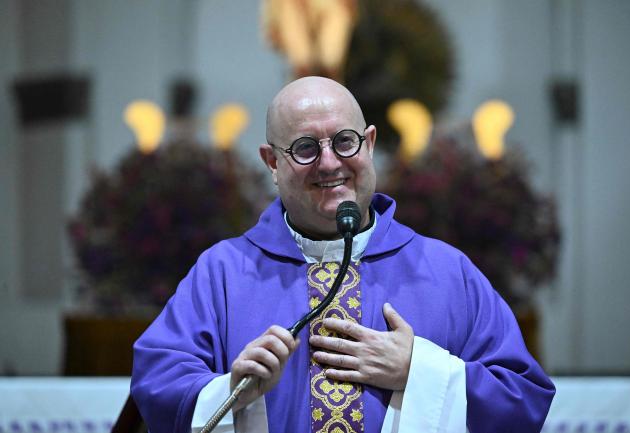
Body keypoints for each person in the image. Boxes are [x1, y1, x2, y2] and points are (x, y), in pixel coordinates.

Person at [131, 76, 555, 433]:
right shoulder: (223, 273)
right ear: (271, 163)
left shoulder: (445, 270)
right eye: (304, 148)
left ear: (369, 144)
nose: (330, 163)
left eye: (345, 141)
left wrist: (419, 371)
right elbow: (157, 384)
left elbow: (524, 399)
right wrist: (231, 391)